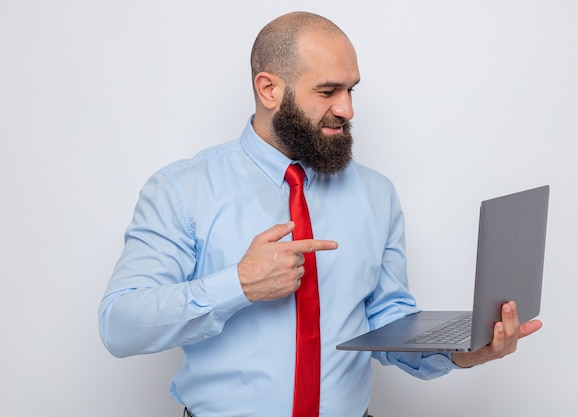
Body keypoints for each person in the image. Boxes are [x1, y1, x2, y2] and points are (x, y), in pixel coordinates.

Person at [98, 11, 542, 417]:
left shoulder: (376, 194)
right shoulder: (181, 189)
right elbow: (120, 324)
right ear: (269, 89)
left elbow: (388, 323)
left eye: (350, 90)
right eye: (328, 91)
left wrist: (460, 351)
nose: (347, 109)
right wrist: (238, 284)